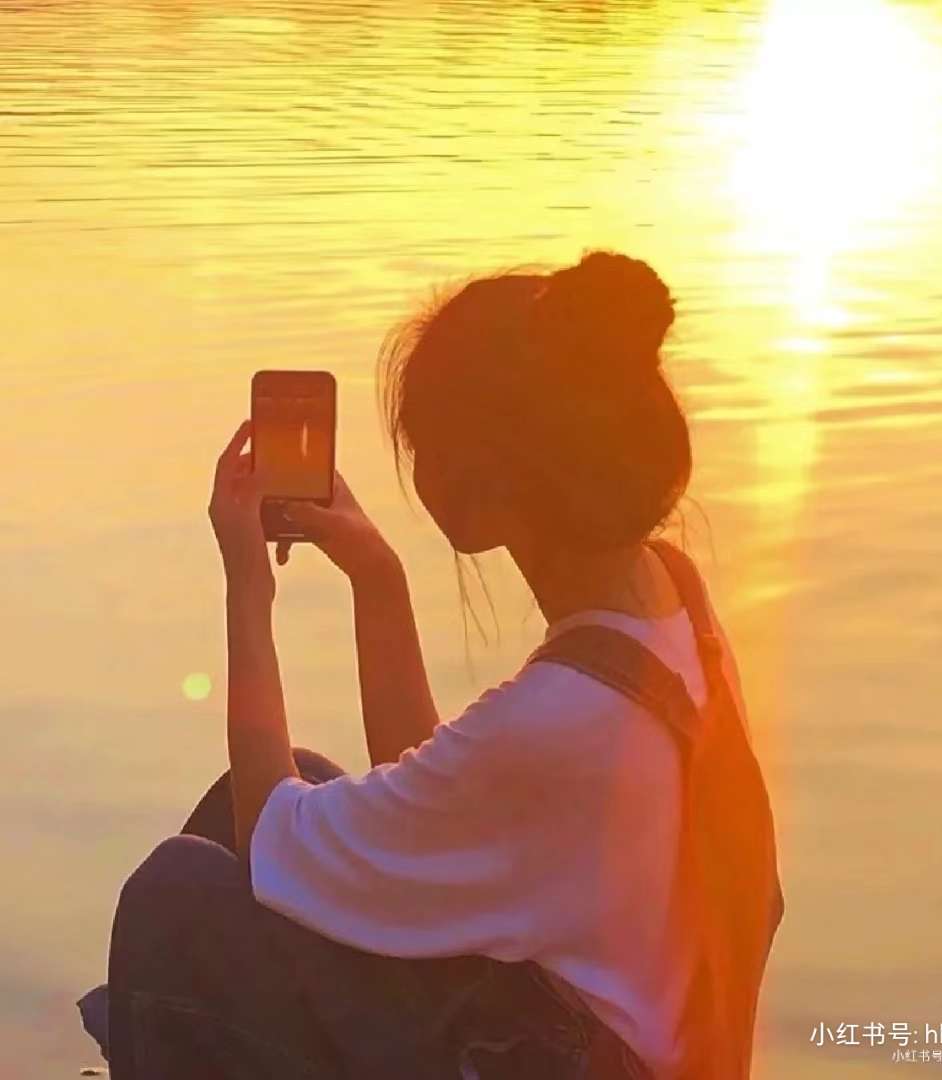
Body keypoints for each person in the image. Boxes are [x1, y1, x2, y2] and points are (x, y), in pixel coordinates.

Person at [79, 249, 784, 1079]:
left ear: (470, 482)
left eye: (420, 443)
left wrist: (247, 585)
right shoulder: (673, 605)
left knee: (176, 893)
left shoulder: (563, 718)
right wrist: (376, 578)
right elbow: (456, 808)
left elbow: (271, 830)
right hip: (606, 1041)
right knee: (284, 787)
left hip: (560, 1057)